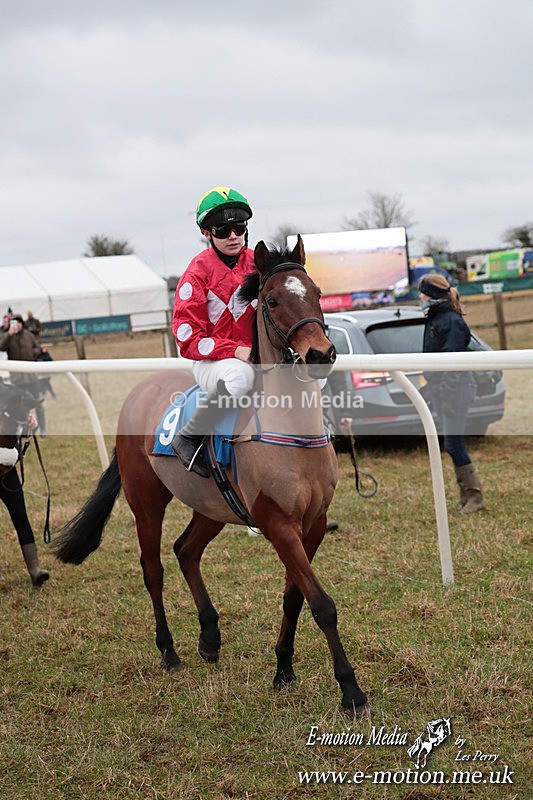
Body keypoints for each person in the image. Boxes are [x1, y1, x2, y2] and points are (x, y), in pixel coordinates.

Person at [171, 186, 257, 477]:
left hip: (257, 356)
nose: (233, 236)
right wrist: (235, 350)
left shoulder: (259, 264)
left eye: (239, 228)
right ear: (206, 233)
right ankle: (189, 436)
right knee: (240, 376)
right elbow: (188, 340)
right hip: (212, 363)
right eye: (223, 231)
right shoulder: (195, 273)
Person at [419, 274, 484, 513]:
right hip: (444, 390)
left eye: (422, 293)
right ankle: (466, 496)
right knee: (453, 444)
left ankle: (474, 497)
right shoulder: (437, 318)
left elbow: (453, 362)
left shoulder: (451, 321)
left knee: (454, 445)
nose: (420, 297)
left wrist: (446, 393)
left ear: (431, 295)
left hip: (455, 391)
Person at [0, 411, 49, 585]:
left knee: (21, 516)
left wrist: (28, 425)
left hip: (7, 471)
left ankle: (35, 569)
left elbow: (16, 430)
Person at [0, 315, 47, 436]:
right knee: (16, 407)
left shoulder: (29, 335)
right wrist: (9, 334)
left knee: (36, 404)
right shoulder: (8, 336)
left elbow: (38, 348)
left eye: (19, 322)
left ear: (22, 323)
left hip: (31, 377)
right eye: (14, 323)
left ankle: (42, 429)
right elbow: (1, 346)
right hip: (17, 379)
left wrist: (32, 353)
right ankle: (22, 431)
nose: (17, 325)